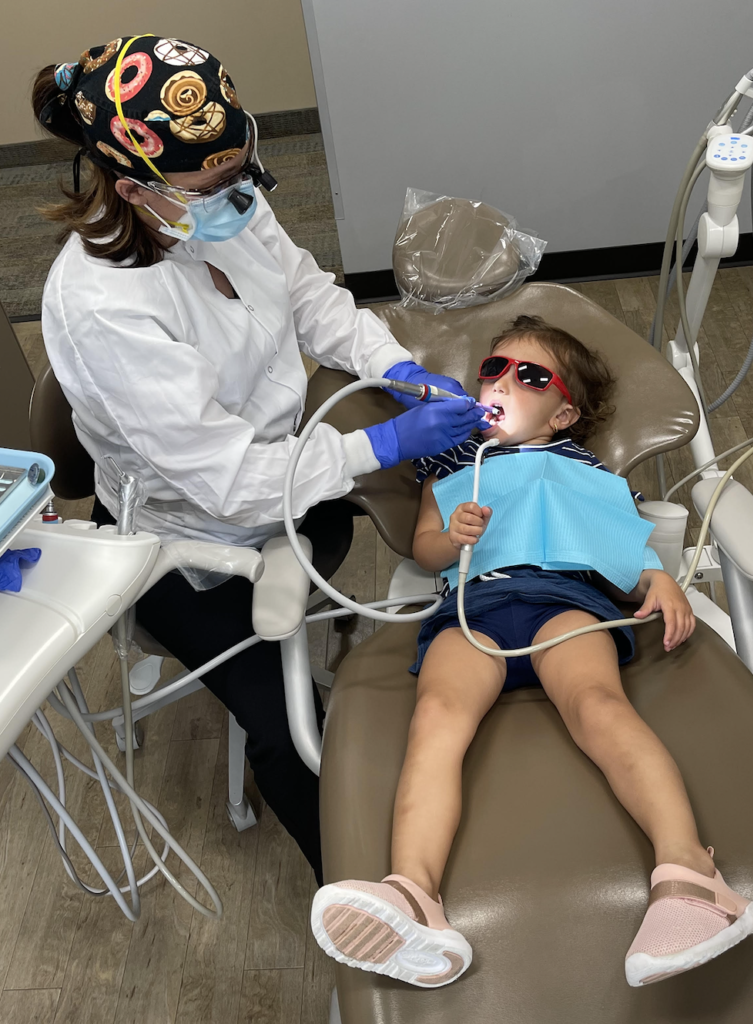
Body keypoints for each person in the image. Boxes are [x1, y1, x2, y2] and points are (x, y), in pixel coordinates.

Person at [32, 35, 489, 882]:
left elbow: (311, 297)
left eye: (245, 169)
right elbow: (227, 480)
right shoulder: (103, 306)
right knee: (289, 732)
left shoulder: (223, 200)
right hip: (179, 539)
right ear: (135, 189)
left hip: (287, 478)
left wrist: (391, 366)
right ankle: (374, 896)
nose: (240, 196)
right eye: (213, 187)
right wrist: (380, 443)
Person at [310, 315, 753, 987]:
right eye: (491, 370)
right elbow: (424, 548)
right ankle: (412, 895)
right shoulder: (454, 465)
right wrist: (451, 535)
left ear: (562, 415)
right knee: (436, 718)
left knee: (598, 707)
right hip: (476, 608)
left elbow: (622, 542)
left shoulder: (584, 469)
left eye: (528, 376)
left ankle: (692, 879)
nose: (501, 382)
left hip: (564, 605)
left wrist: (658, 578)